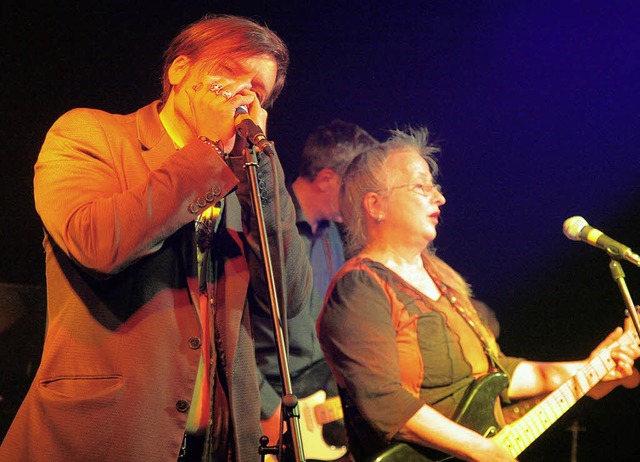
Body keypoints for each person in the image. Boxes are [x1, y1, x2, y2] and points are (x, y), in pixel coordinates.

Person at [0, 14, 313, 462]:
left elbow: (290, 298)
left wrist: (261, 174)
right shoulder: (91, 135)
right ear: (179, 71)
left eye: (257, 91)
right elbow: (98, 244)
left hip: (218, 443)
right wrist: (205, 154)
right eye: (228, 72)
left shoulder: (247, 175)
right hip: (105, 438)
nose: (243, 94)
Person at [316, 127, 640, 462]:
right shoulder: (360, 288)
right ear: (376, 205)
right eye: (420, 186)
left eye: (435, 186)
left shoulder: (445, 283)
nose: (438, 197)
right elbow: (385, 402)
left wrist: (591, 369)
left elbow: (497, 374)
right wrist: (479, 448)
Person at [251, 120, 378, 459]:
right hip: (269, 405)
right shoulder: (265, 230)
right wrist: (265, 406)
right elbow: (231, 330)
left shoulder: (334, 236)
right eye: (356, 185)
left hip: (320, 401)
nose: (363, 196)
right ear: (326, 180)